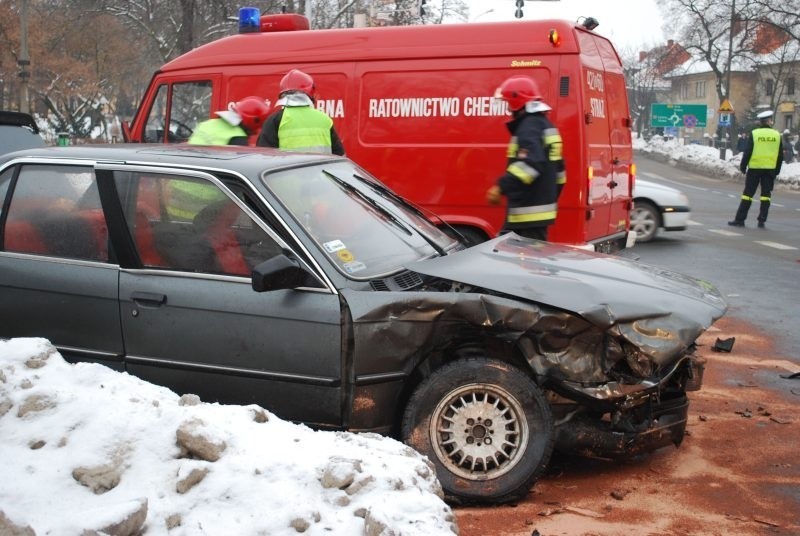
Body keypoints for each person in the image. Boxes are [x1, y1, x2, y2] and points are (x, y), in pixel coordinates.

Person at [486, 76, 565, 241]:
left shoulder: (529, 126)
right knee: (512, 254)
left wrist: (501, 187)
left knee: (520, 259)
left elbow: (530, 164)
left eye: (508, 103)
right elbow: (560, 174)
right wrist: (547, 197)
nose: (508, 109)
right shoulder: (545, 125)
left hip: (526, 213)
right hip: (536, 212)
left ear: (517, 101)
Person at [257, 69, 345, 155]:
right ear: (311, 91)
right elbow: (340, 155)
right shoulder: (324, 119)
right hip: (320, 170)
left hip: (289, 170)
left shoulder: (275, 120)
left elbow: (264, 156)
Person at [728, 110, 783, 229]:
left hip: (754, 169)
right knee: (766, 196)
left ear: (760, 122)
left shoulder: (755, 133)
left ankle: (740, 220)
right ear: (769, 121)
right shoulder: (777, 135)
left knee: (747, 195)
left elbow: (748, 152)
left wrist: (743, 166)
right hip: (769, 170)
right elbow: (780, 155)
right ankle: (762, 220)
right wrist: (777, 170)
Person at [188, 96, 271, 146]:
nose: (257, 131)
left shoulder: (207, 124)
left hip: (186, 170)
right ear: (253, 121)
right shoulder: (238, 137)